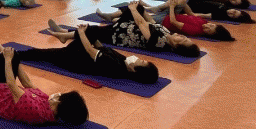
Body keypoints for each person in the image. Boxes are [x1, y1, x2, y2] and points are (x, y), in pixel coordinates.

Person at [26, 24, 159, 83]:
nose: (138, 59)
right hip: (81, 53)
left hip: (72, 59)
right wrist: (88, 33)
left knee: (40, 54)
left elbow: (90, 50)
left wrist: (82, 33)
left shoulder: (115, 66)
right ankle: (64, 36)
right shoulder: (125, 61)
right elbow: (101, 47)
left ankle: (18, 54)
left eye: (141, 62)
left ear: (134, 70)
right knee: (91, 31)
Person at [62, 1, 201, 57]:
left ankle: (64, 35)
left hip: (119, 36)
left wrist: (133, 10)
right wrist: (139, 10)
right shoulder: (168, 34)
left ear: (176, 46)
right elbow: (152, 22)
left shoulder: (159, 42)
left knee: (93, 31)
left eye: (183, 40)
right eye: (185, 38)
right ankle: (110, 16)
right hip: (126, 27)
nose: (183, 36)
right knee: (138, 7)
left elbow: (142, 24)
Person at [153, 0, 234, 40]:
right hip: (172, 14)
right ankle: (156, 8)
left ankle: (155, 10)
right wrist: (184, 3)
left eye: (208, 30)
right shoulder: (204, 22)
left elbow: (173, 22)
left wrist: (171, 6)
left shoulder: (195, 30)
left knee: (146, 15)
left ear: (208, 35)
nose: (207, 26)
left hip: (164, 20)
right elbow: (191, 14)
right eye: (211, 25)